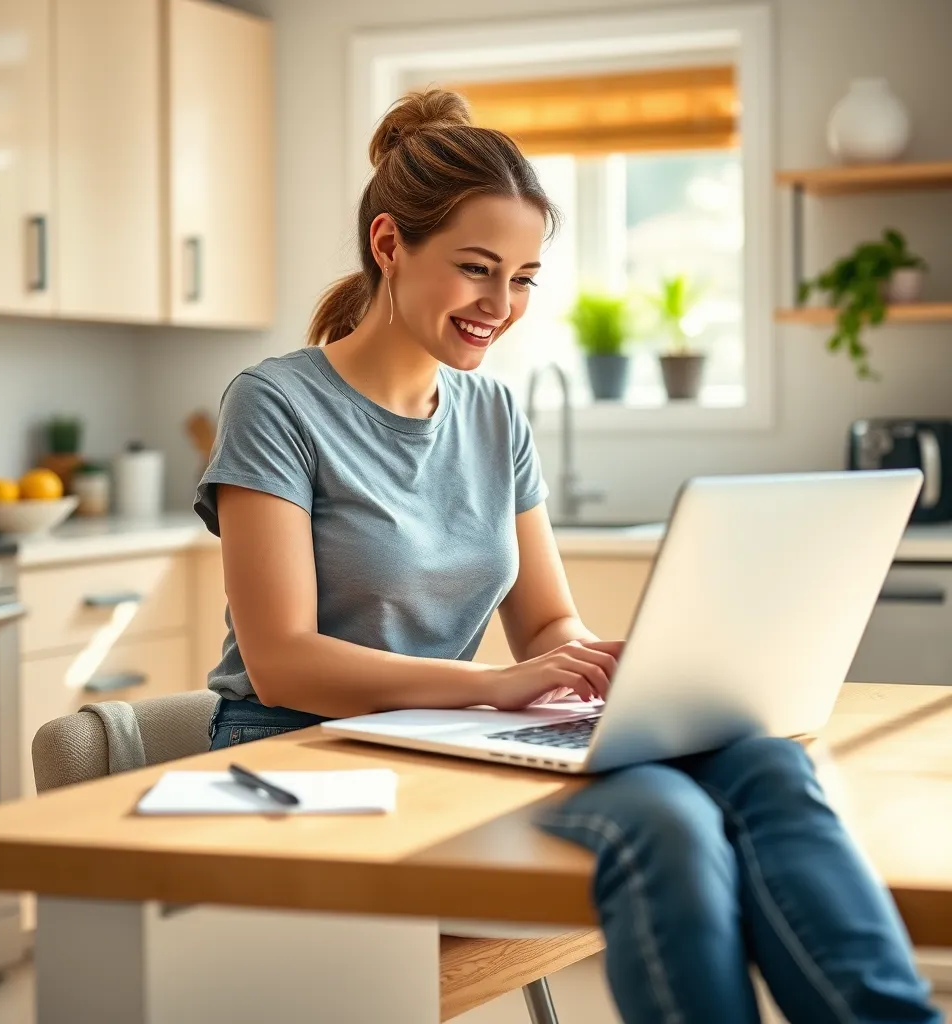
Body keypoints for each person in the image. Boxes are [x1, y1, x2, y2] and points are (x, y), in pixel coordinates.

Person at [194, 88, 940, 1024]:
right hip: (297, 757)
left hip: (443, 742)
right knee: (666, 821)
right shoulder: (276, 405)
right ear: (389, 245)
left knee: (766, 768)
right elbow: (282, 659)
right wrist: (497, 688)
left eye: (524, 278)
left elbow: (544, 620)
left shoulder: (496, 412)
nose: (500, 306)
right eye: (476, 269)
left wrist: (597, 671)